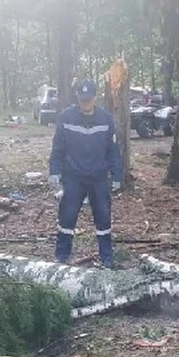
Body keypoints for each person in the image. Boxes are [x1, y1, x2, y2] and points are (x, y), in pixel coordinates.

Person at [48, 79, 123, 267]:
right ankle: (61, 256)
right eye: (82, 100)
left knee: (104, 217)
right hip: (73, 177)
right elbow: (58, 148)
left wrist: (117, 174)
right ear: (78, 98)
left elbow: (113, 150)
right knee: (67, 216)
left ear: (95, 98)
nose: (85, 103)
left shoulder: (106, 119)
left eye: (88, 100)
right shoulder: (66, 117)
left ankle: (107, 258)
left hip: (98, 178)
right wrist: (54, 171)